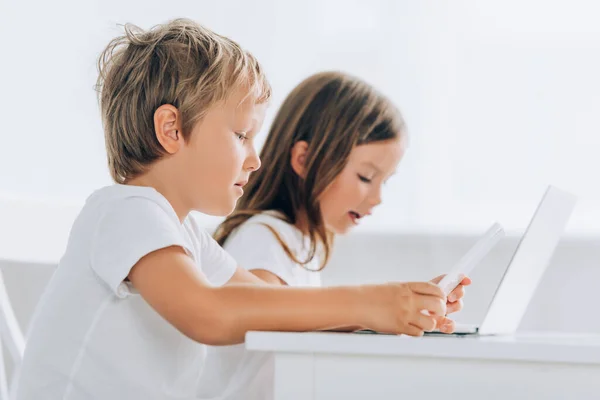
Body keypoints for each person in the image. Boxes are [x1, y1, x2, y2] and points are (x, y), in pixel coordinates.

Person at [13, 20, 464, 400]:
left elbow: (277, 307)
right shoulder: (125, 210)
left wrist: (396, 306)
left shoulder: (184, 235)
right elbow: (210, 313)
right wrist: (369, 302)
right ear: (172, 129)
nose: (256, 158)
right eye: (241, 135)